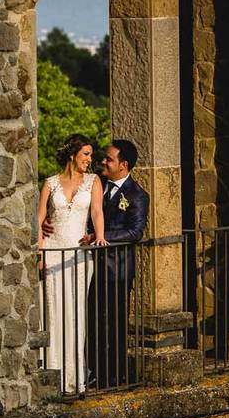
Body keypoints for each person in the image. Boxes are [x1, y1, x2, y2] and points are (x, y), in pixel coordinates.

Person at [42, 139, 149, 389]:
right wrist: (50, 220)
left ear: (123, 165)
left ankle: (115, 376)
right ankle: (93, 371)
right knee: (90, 321)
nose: (102, 161)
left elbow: (135, 233)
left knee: (114, 323)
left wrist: (100, 238)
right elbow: (80, 214)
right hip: (89, 263)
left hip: (116, 268)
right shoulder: (96, 184)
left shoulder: (137, 195)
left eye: (108, 159)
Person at [37, 133, 107, 394]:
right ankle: (50, 373)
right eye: (86, 154)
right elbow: (40, 217)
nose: (90, 159)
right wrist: (40, 253)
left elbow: (97, 211)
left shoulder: (93, 181)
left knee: (74, 313)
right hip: (54, 251)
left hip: (78, 255)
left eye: (90, 154)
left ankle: (73, 377)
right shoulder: (50, 183)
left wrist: (99, 236)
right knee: (52, 311)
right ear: (72, 155)